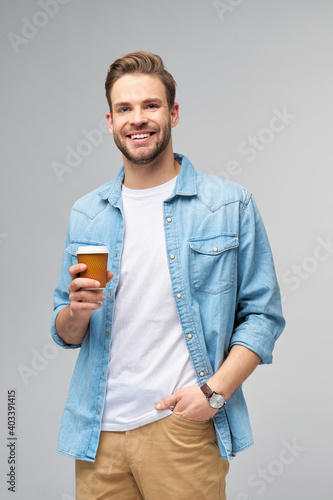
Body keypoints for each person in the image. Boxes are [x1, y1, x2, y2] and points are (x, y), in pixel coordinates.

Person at [51, 51, 285, 500]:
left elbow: (263, 316)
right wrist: (75, 312)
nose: (138, 119)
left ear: (172, 113)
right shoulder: (87, 214)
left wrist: (213, 395)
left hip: (182, 431)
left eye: (150, 105)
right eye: (125, 109)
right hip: (96, 435)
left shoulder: (228, 205)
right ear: (110, 120)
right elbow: (65, 329)